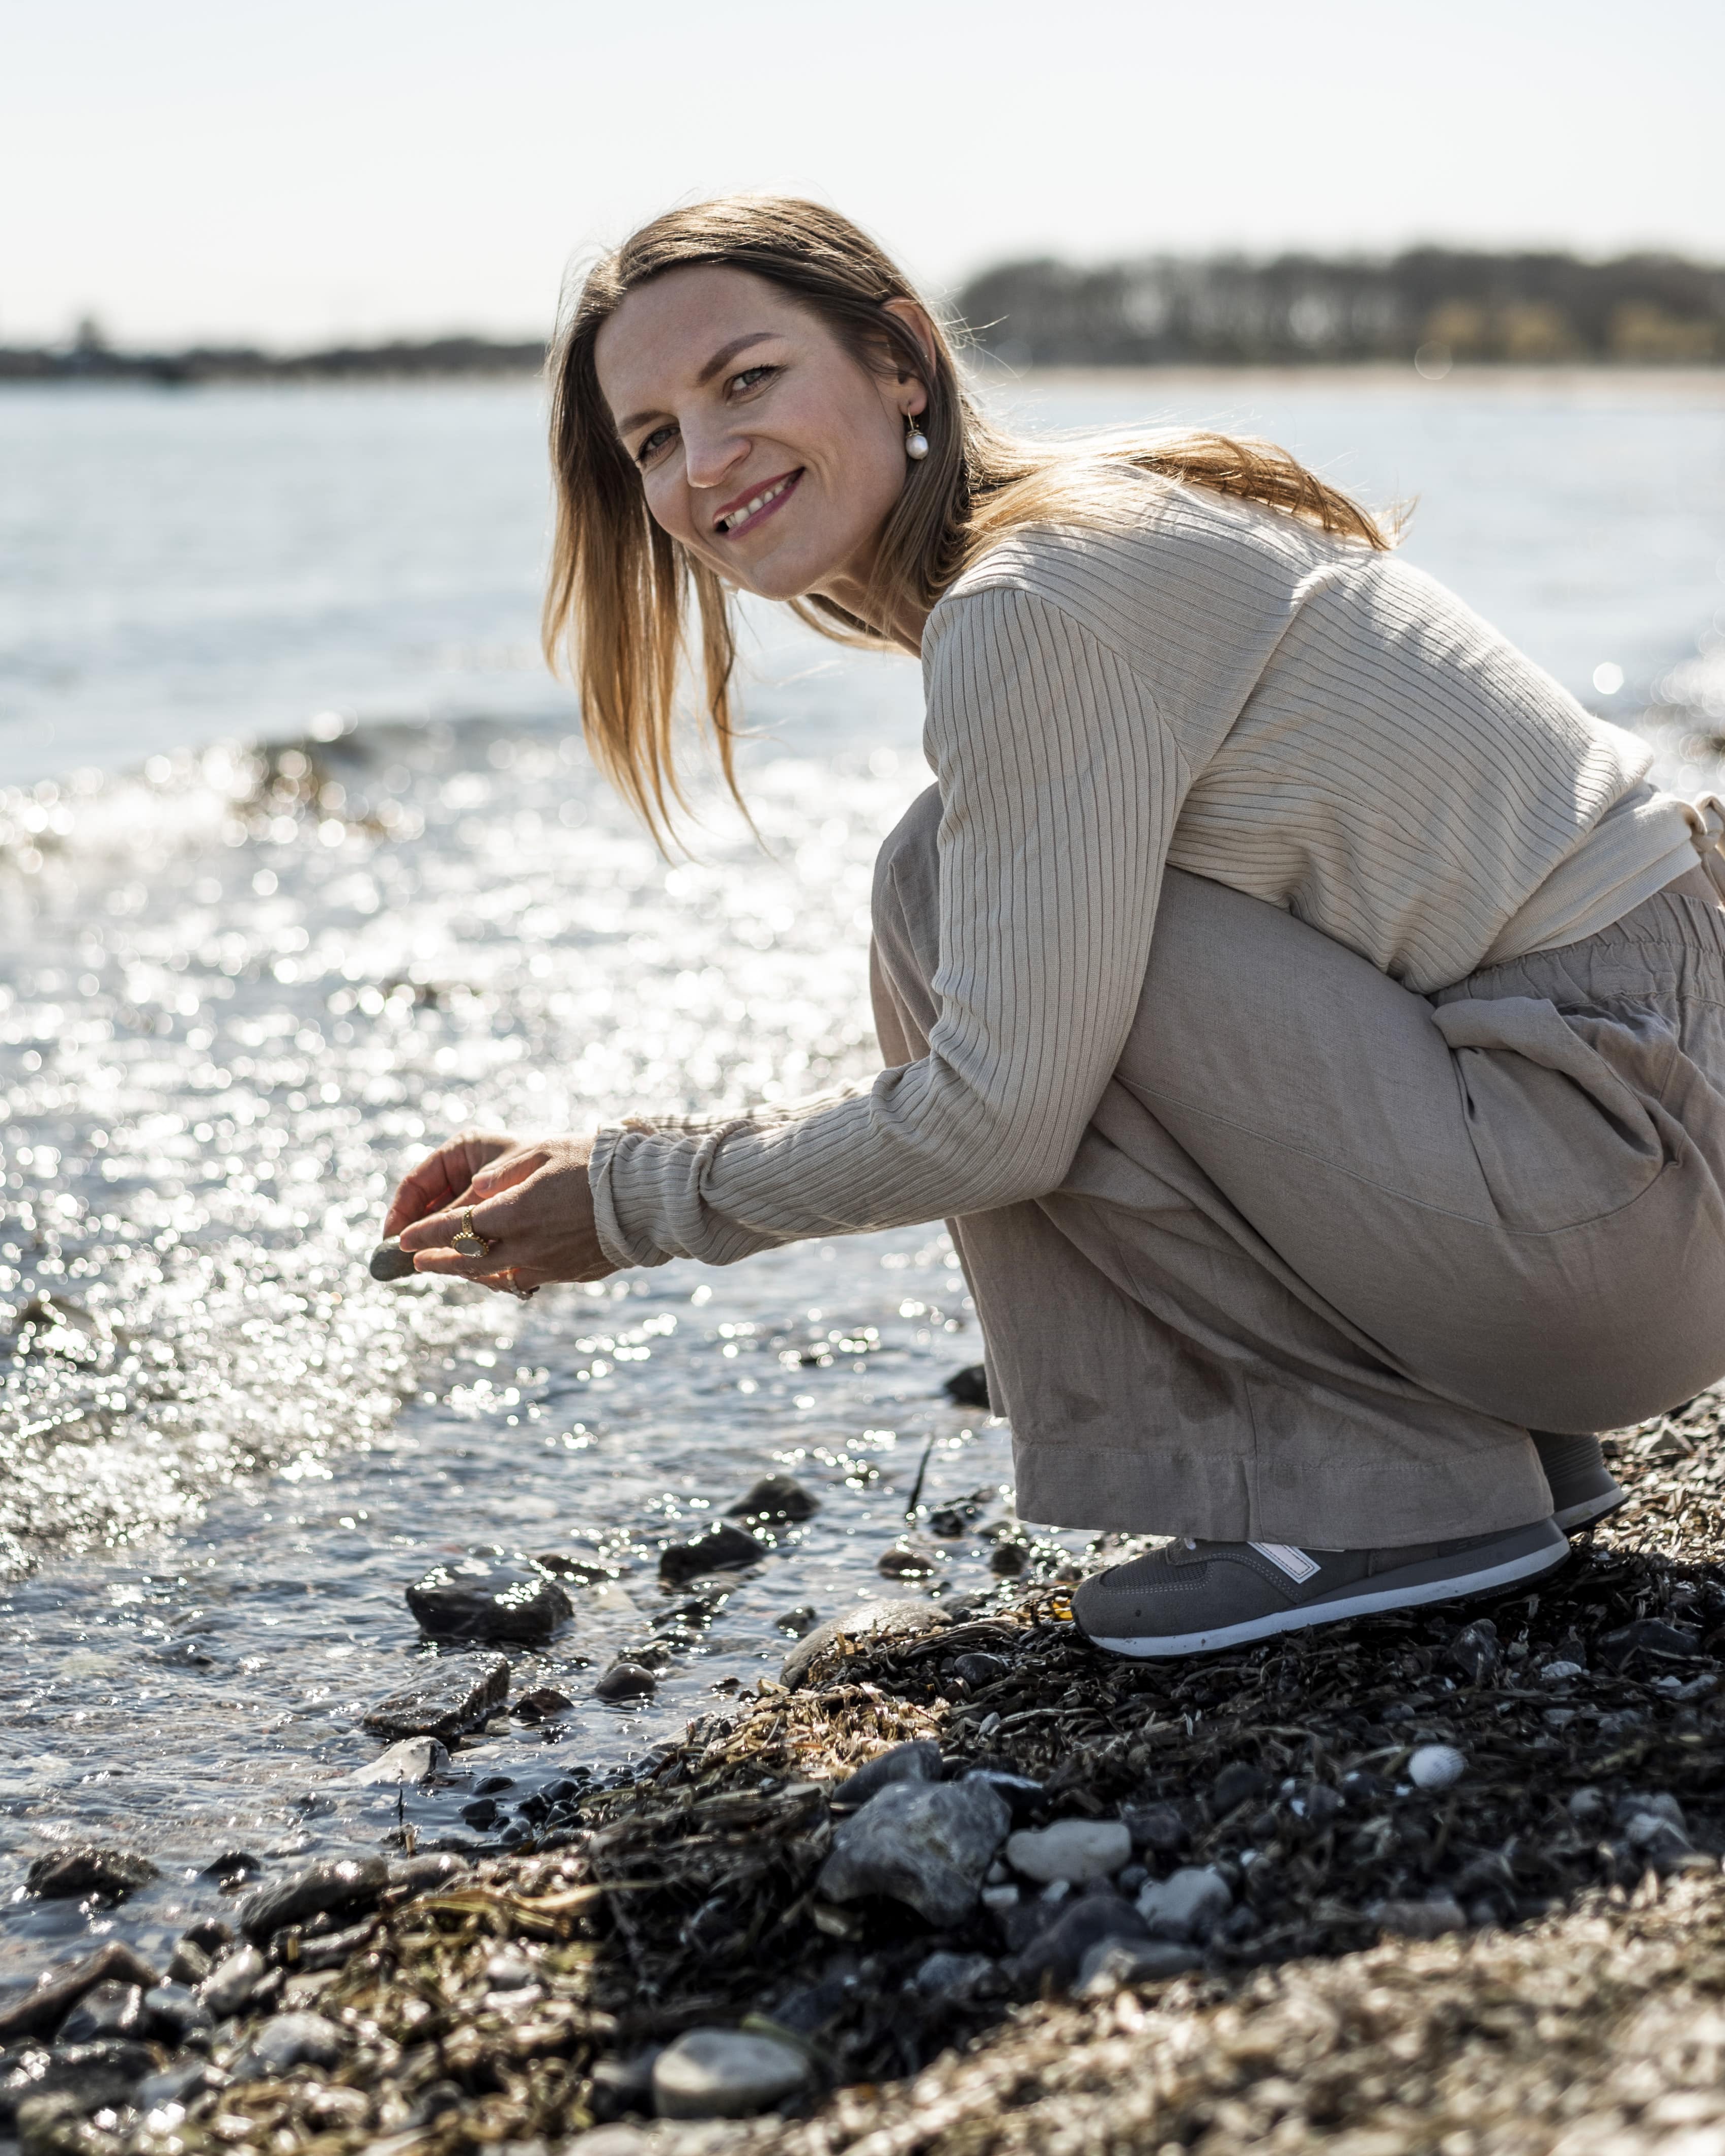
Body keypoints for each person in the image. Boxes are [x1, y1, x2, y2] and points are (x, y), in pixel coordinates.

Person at [382, 196, 1725, 1658]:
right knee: (945, 883)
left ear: (901, 360)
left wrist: (638, 1198)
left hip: (1616, 1213)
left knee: (949, 905)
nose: (704, 463)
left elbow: (999, 1121)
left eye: (747, 381)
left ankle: (1384, 1495)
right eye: (650, 438)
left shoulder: (1033, 605)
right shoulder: (1100, 514)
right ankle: (1472, 1453)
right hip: (1634, 1174)